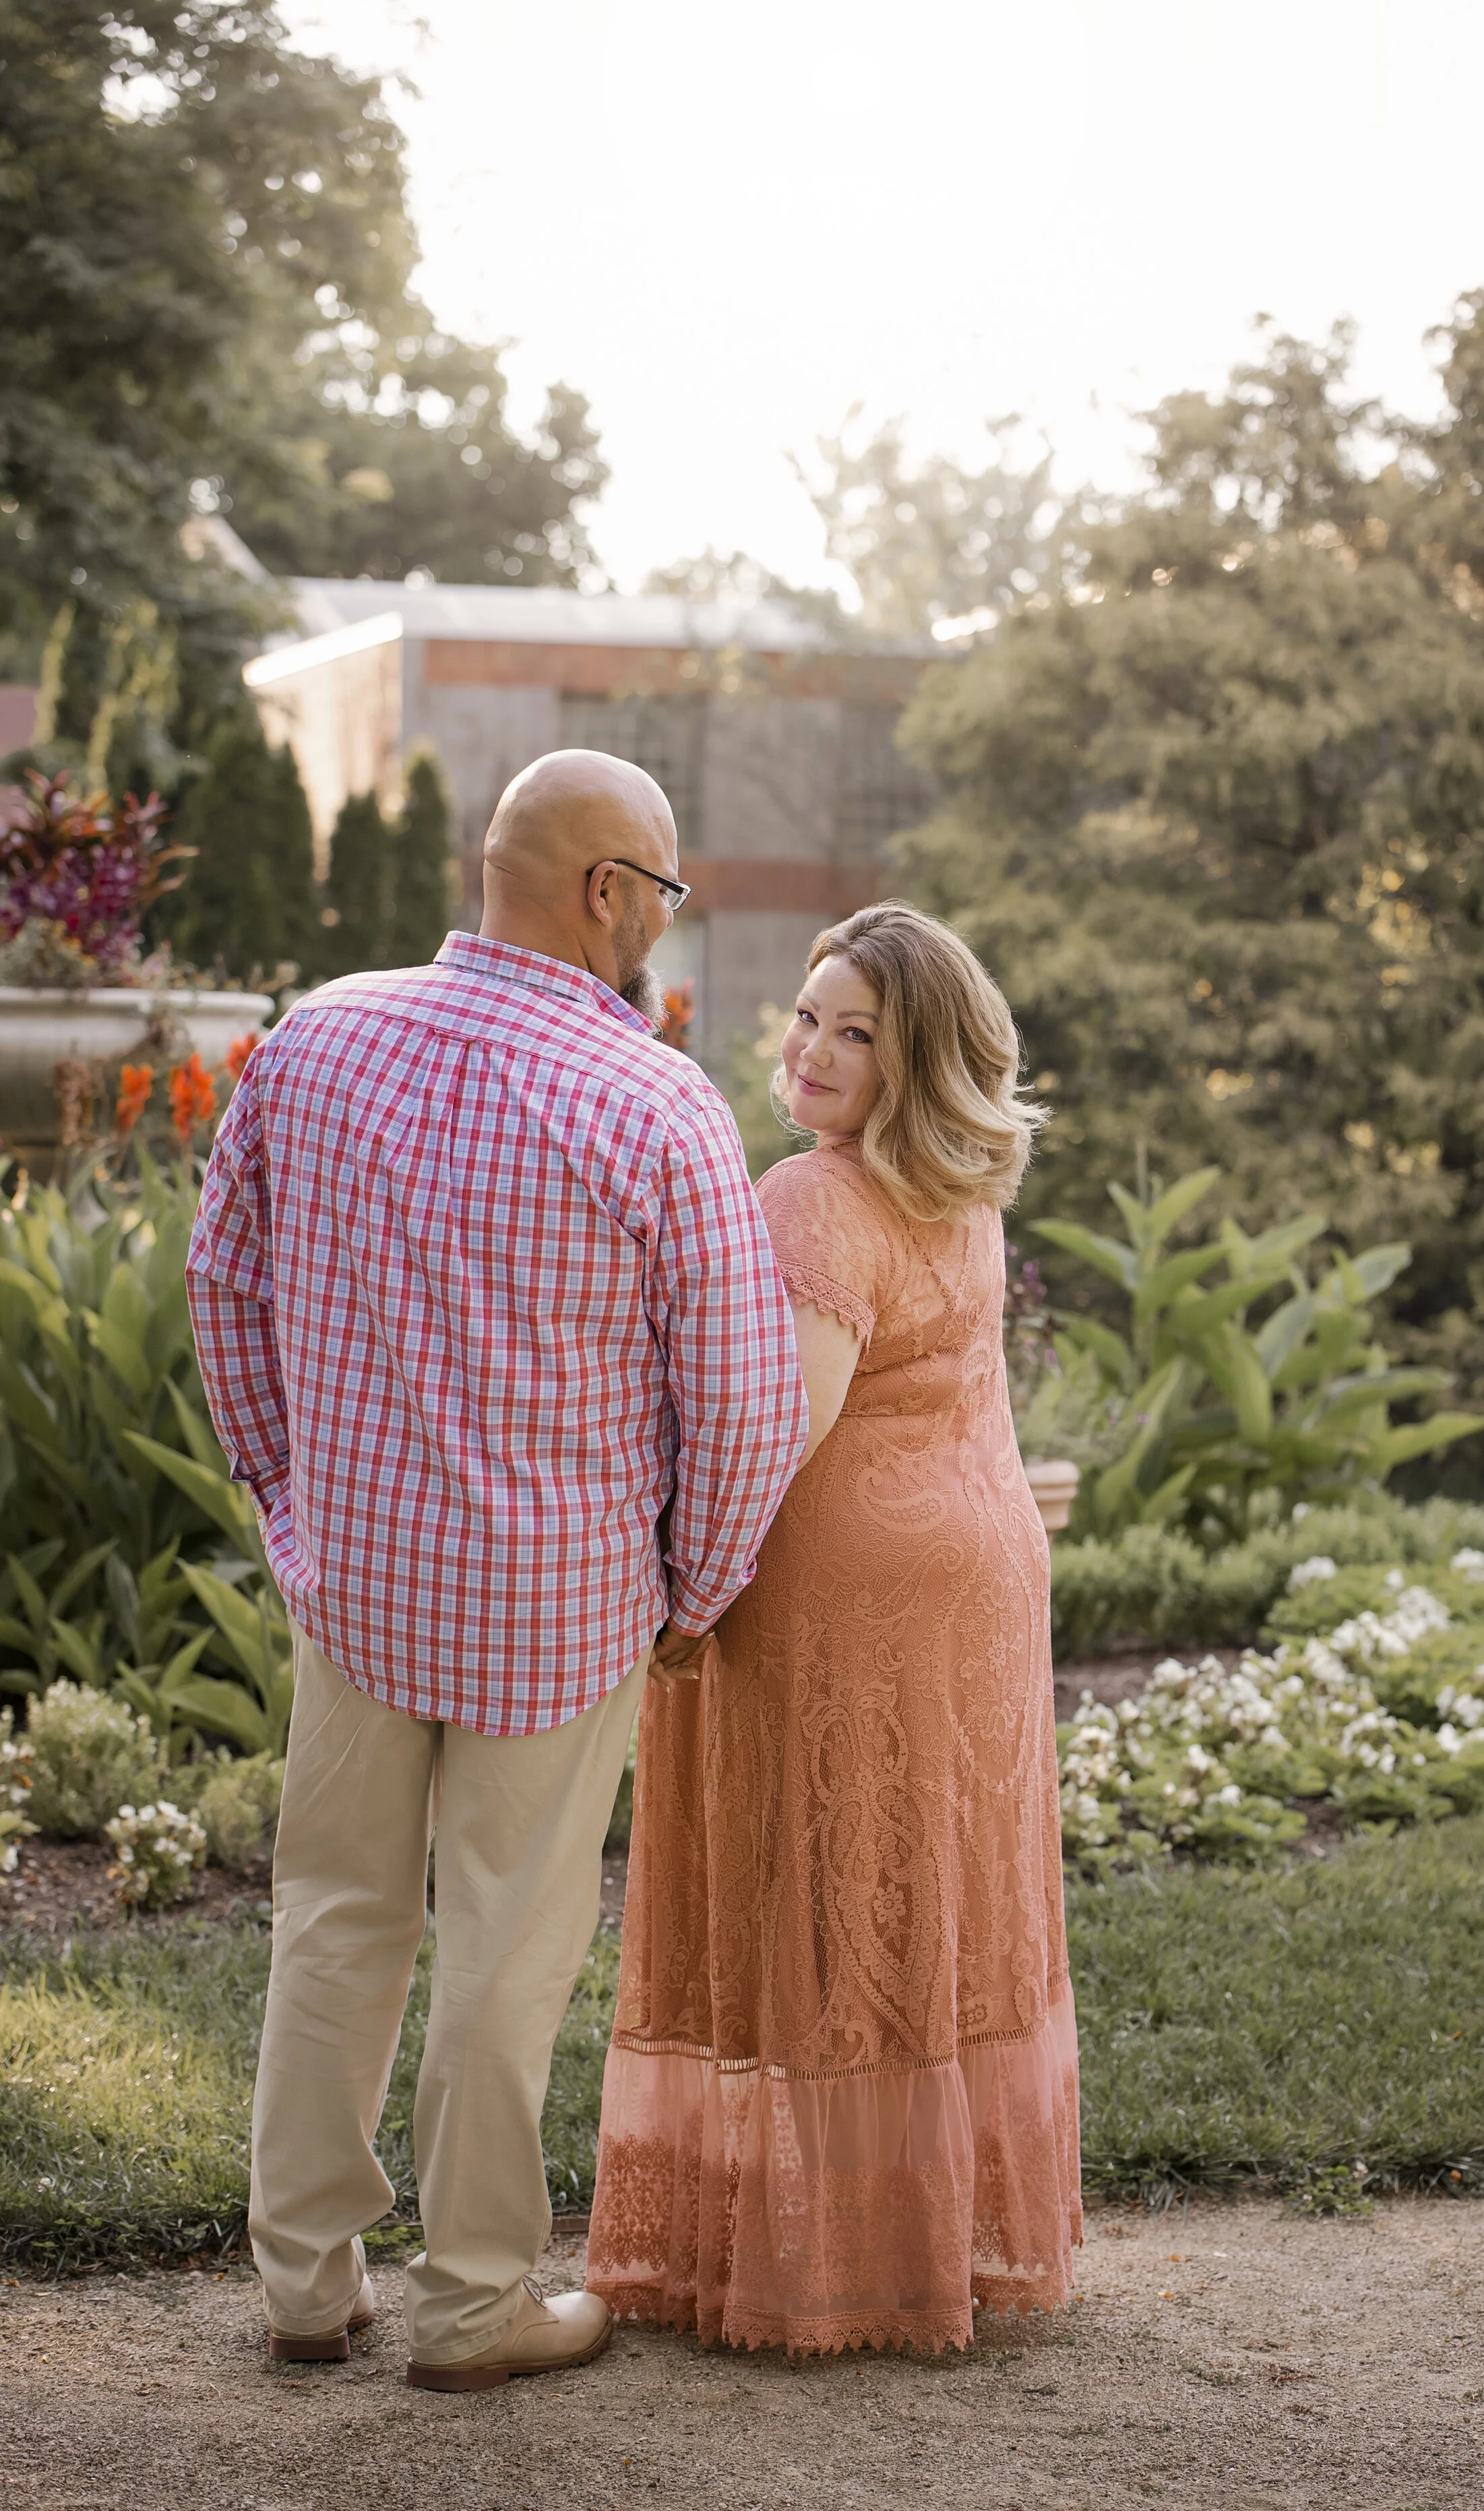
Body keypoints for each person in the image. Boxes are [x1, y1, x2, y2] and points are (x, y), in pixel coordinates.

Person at [185, 750, 807, 2391]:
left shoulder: (315, 1037)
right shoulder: (655, 1103)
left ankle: (306, 2289)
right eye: (660, 892)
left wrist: (287, 1495)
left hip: (360, 1590)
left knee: (332, 1920)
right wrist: (694, 1592)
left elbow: (220, 1284)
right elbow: (742, 1404)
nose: (661, 928)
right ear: (605, 890)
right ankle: (470, 2306)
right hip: (562, 1608)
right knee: (502, 1950)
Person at [586, 903, 1082, 2355]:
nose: (809, 1050)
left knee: (820, 1896)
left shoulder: (812, 1197)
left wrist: (681, 1595)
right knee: (929, 1897)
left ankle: (827, 2265)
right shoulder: (955, 1187)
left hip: (846, 1603)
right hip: (981, 1578)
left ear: (914, 1058)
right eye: (808, 1016)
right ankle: (936, 2236)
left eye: (854, 1031)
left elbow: (776, 1436)